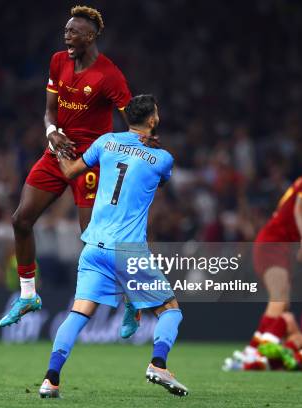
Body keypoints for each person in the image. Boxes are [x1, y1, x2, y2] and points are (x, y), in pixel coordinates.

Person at [0, 5, 157, 329]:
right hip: (57, 152)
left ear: (92, 36)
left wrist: (143, 147)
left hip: (91, 160)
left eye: (74, 32)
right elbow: (49, 112)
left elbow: (134, 120)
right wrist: (51, 132)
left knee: (94, 239)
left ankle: (132, 300)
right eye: (66, 30)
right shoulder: (58, 61)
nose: (67, 35)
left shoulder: (108, 75)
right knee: (21, 220)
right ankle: (28, 294)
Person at [38, 95, 188, 398]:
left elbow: (69, 172)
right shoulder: (163, 158)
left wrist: (55, 146)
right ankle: (158, 364)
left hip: (93, 244)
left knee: (78, 314)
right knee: (170, 310)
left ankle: (50, 380)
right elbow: (154, 181)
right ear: (153, 120)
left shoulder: (106, 142)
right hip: (127, 249)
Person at [236, 151, 302, 364]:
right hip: (272, 244)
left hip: (278, 246)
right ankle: (253, 352)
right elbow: (299, 209)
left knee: (283, 304)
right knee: (279, 297)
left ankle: (260, 351)